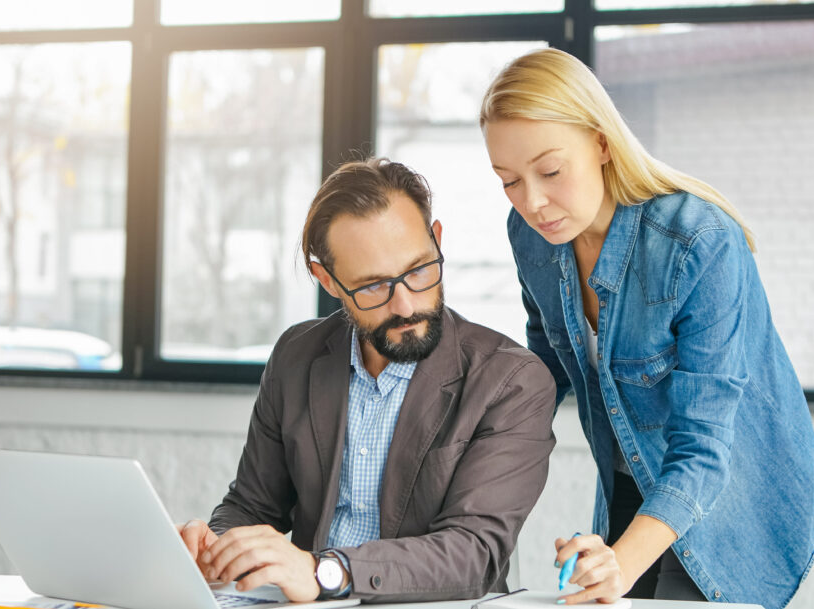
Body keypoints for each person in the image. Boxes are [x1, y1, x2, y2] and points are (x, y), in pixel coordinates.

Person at [479, 48, 814, 609]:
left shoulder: (700, 244)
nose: (533, 203)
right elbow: (542, 371)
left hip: (733, 499)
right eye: (508, 181)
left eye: (549, 171)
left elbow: (704, 448)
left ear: (600, 141)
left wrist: (622, 562)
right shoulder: (533, 240)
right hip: (629, 477)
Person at [178, 158, 557, 603]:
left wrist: (324, 573)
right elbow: (252, 505)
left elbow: (472, 556)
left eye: (419, 270)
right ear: (329, 281)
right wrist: (217, 548)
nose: (404, 304)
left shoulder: (510, 381)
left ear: (437, 240)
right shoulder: (296, 356)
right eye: (373, 286)